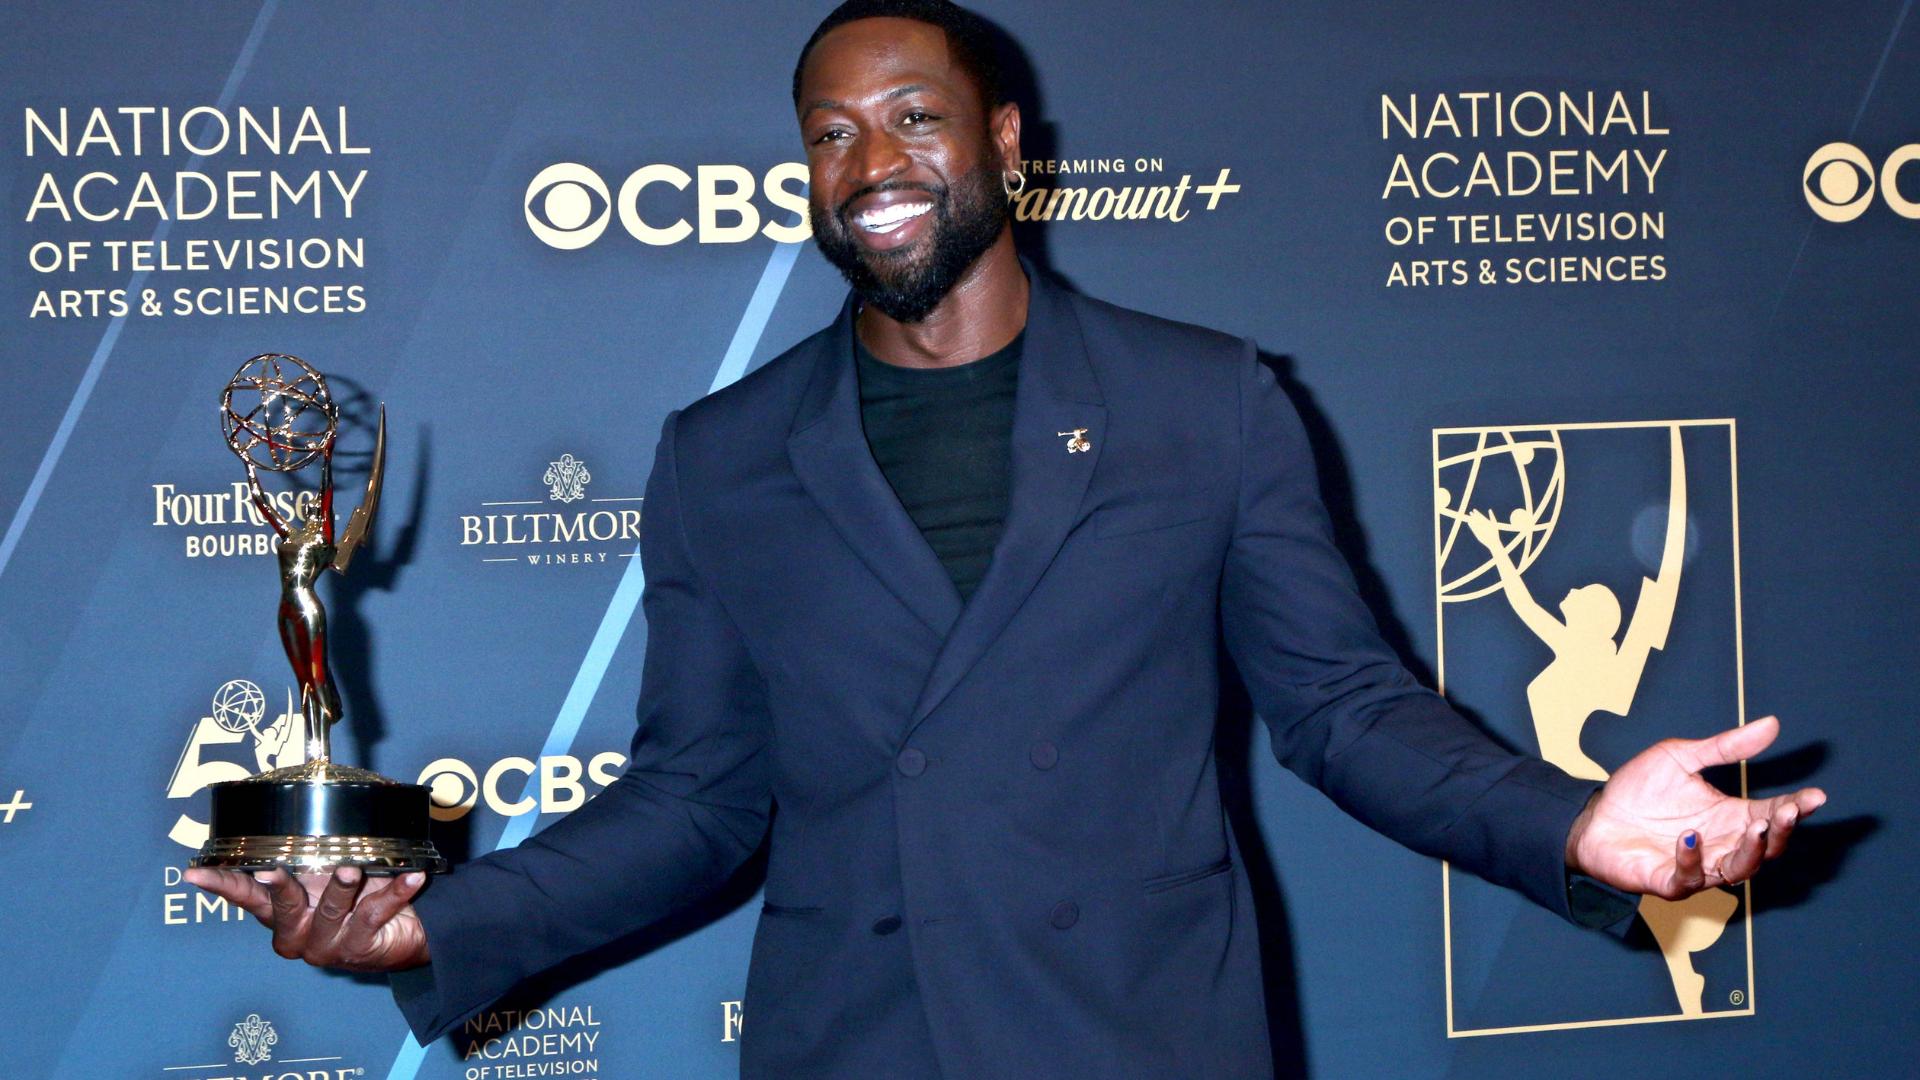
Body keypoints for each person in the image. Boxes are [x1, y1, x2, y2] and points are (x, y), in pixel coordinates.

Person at [188, 2, 1826, 1076]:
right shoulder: (724, 455)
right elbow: (699, 796)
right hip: (856, 1047)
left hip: (1138, 1040)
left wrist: (1571, 825)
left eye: (913, 117)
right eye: (831, 131)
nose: (871, 164)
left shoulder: (1204, 402)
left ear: (1007, 146)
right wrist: (442, 925)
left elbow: (1342, 708)